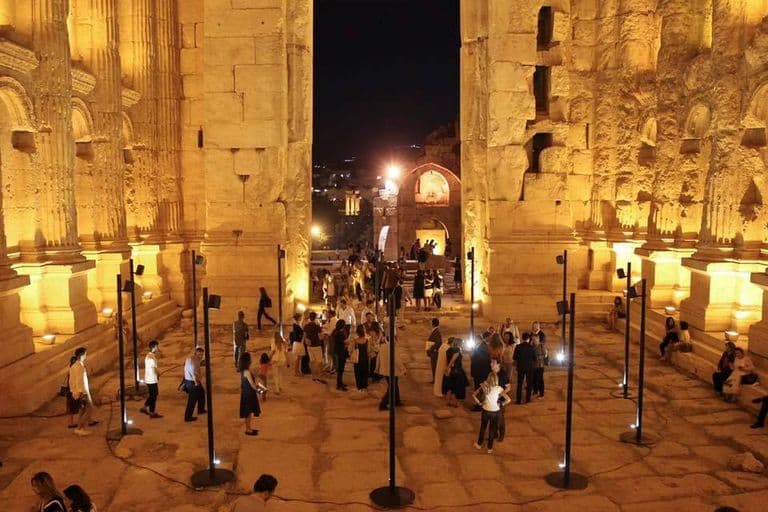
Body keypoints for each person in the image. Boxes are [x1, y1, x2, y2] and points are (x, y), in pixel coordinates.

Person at [472, 365, 511, 454]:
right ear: (496, 379)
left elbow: (474, 394)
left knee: (483, 427)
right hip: (495, 411)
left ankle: (479, 444)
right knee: (492, 429)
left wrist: (479, 403)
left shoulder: (483, 386)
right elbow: (508, 399)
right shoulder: (499, 388)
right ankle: (490, 448)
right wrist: (501, 403)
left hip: (485, 410)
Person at [377, 326, 404, 410]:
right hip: (392, 370)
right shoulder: (391, 348)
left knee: (394, 385)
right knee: (392, 387)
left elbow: (378, 358)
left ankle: (397, 400)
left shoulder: (382, 347)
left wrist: (377, 368)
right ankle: (383, 404)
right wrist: (403, 369)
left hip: (384, 370)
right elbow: (397, 360)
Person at [69, 347, 94, 436]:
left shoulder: (74, 366)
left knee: (82, 410)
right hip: (82, 392)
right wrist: (82, 393)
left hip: (78, 391)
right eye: (85, 354)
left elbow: (72, 381)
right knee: (90, 409)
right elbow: (79, 381)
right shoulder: (79, 367)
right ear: (81, 355)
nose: (86, 356)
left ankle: (80, 427)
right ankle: (80, 428)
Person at [239, 352, 265, 436]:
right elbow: (253, 385)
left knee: (248, 412)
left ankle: (249, 428)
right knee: (248, 413)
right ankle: (248, 429)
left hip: (246, 393)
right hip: (249, 394)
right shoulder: (246, 372)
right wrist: (261, 390)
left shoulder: (244, 371)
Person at [443, 338, 469, 407]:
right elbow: (453, 360)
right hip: (456, 370)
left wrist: (446, 368)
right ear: (459, 343)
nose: (463, 344)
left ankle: (448, 401)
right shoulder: (457, 350)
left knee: (450, 387)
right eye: (462, 343)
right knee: (456, 387)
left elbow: (446, 359)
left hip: (451, 370)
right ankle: (455, 403)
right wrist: (448, 367)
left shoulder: (448, 349)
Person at [183, 347, 206, 422]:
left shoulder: (190, 358)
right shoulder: (195, 361)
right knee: (192, 400)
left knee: (201, 393)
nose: (201, 356)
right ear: (196, 353)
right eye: (200, 354)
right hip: (192, 381)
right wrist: (196, 382)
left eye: (202, 355)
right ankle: (188, 417)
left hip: (188, 380)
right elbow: (194, 373)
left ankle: (201, 409)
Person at [140, 340, 162, 418]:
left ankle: (149, 410)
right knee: (154, 395)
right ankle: (146, 408)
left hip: (149, 379)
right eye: (157, 346)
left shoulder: (149, 355)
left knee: (153, 395)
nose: (158, 348)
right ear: (155, 347)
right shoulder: (151, 358)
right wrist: (158, 374)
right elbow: (154, 369)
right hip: (151, 379)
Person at [513, 332, 536, 404]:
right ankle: (528, 399)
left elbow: (514, 357)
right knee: (529, 383)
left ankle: (518, 400)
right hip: (529, 367)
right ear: (529, 339)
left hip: (520, 367)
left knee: (520, 384)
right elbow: (535, 358)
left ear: (522, 338)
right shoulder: (532, 347)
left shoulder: (518, 346)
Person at [470, 336, 491, 410]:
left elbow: (479, 361)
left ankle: (479, 406)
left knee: (479, 389)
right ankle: (480, 403)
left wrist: (472, 354)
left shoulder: (482, 348)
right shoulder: (481, 347)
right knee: (480, 388)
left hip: (481, 372)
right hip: (480, 372)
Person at [495, 358, 511, 442]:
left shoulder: (503, 374)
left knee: (500, 419)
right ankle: (494, 433)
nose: (491, 364)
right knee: (493, 418)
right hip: (492, 400)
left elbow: (508, 387)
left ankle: (501, 434)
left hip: (500, 400)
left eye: (493, 363)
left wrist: (500, 394)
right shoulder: (491, 374)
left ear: (498, 365)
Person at [351, 324, 369, 391]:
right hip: (365, 358)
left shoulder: (355, 340)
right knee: (365, 372)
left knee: (358, 372)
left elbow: (351, 350)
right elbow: (368, 350)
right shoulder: (367, 340)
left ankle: (359, 386)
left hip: (357, 359)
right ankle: (364, 386)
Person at [333, 319, 349, 391]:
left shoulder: (336, 331)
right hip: (341, 352)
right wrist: (348, 341)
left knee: (341, 369)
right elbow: (344, 342)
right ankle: (339, 385)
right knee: (340, 369)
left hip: (338, 351)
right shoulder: (339, 333)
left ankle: (340, 382)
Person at [426, 318, 443, 384]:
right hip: (434, 352)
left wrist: (431, 348)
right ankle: (435, 379)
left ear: (432, 324)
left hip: (435, 352)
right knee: (434, 366)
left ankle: (435, 380)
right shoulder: (435, 331)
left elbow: (438, 342)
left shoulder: (436, 332)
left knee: (435, 366)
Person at [532, 333, 547, 399]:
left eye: (535, 339)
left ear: (538, 339)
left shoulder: (541, 346)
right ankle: (535, 391)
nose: (534, 341)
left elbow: (545, 354)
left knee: (540, 380)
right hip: (533, 366)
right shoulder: (531, 346)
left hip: (540, 366)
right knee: (534, 379)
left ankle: (541, 394)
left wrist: (538, 357)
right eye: (532, 339)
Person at [289, 313, 305, 377]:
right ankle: (296, 372)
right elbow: (300, 333)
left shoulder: (296, 324)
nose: (301, 318)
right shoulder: (296, 325)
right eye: (300, 317)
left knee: (299, 358)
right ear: (298, 318)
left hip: (298, 342)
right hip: (298, 343)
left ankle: (297, 371)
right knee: (297, 358)